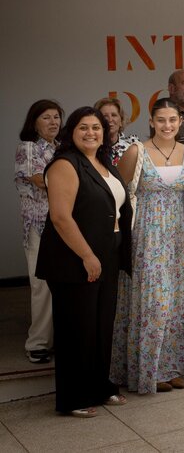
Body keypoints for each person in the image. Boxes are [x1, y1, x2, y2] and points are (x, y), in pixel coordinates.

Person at [36, 107, 132, 416]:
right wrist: (87, 256)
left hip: (108, 252)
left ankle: (100, 388)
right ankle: (73, 398)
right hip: (75, 257)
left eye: (97, 127)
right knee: (77, 328)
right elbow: (61, 218)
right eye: (83, 127)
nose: (91, 132)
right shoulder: (65, 164)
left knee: (102, 326)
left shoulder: (103, 162)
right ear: (71, 132)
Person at [110, 98, 184, 393]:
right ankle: (149, 369)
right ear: (151, 121)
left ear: (180, 121)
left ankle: (174, 366)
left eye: (173, 120)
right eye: (161, 120)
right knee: (154, 302)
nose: (168, 126)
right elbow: (116, 193)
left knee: (177, 302)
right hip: (149, 235)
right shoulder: (137, 151)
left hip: (180, 237)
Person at [14, 99, 62, 364]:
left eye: (56, 117)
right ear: (34, 121)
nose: (53, 122)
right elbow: (36, 179)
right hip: (38, 226)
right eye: (46, 117)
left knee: (61, 284)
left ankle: (57, 338)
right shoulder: (29, 148)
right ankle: (38, 343)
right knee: (41, 285)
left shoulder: (62, 148)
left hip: (63, 225)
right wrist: (69, 182)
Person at [94, 97, 140, 166]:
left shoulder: (133, 145)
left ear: (121, 121)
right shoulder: (91, 146)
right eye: (105, 116)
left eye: (114, 115)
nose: (110, 119)